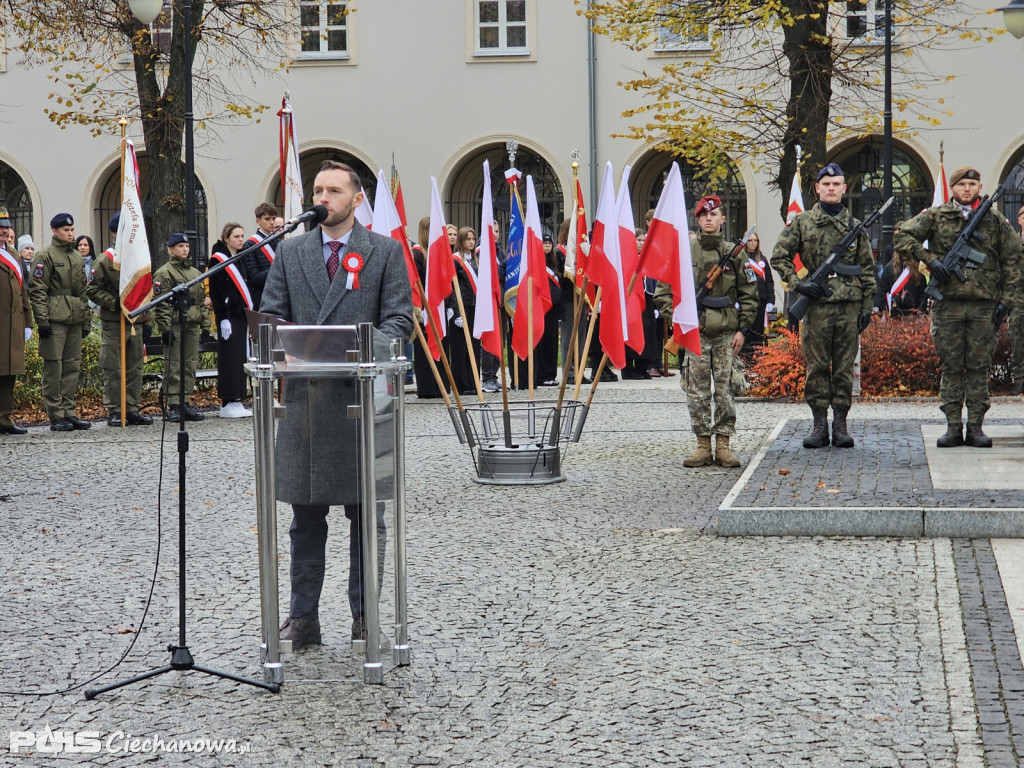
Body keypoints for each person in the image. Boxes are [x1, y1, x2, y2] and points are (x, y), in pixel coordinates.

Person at [259, 160, 413, 650]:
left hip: (361, 404)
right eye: (318, 190)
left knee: (368, 517)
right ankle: (302, 618)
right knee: (305, 519)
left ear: (356, 199)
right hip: (306, 406)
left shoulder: (384, 252)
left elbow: (398, 321)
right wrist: (278, 346)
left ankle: (366, 618)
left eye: (333, 191)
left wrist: (360, 354)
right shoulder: (290, 251)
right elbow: (271, 320)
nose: (322, 198)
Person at [894, 165, 1023, 447]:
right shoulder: (937, 216)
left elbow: (1014, 259)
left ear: (978, 188)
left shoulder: (993, 219)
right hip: (948, 304)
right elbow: (902, 236)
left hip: (982, 307)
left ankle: (975, 427)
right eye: (962, 184)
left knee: (978, 367)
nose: (967, 189)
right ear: (952, 188)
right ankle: (953, 426)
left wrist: (1007, 301)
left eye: (972, 185)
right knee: (951, 366)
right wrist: (930, 259)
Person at [773, 163, 876, 449]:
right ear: (817, 188)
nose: (831, 188)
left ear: (845, 189)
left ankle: (840, 424)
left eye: (837, 184)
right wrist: (799, 284)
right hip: (817, 307)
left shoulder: (856, 228)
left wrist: (867, 306)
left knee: (843, 368)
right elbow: (780, 257)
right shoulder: (802, 222)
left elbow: (866, 269)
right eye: (826, 184)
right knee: (817, 367)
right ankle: (819, 424)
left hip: (849, 307)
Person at [679, 195, 758, 468]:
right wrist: (678, 320)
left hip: (726, 332)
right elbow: (667, 290)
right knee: (696, 390)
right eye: (704, 215)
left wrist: (743, 329)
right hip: (695, 332)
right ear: (698, 219)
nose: (709, 219)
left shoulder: (735, 253)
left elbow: (749, 293)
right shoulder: (686, 251)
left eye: (714, 215)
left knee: (725, 390)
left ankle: (723, 443)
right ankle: (702, 445)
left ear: (722, 219)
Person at [85, 213, 153, 427]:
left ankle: (131, 408)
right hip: (115, 321)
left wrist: (147, 319)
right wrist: (115, 303)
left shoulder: (139, 259)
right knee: (113, 367)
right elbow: (93, 289)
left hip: (136, 321)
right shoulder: (106, 259)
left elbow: (146, 290)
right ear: (115, 233)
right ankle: (115, 409)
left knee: (135, 367)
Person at [28, 213, 93, 431]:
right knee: (54, 367)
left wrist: (86, 320)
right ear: (54, 231)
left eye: (72, 230)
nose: (70, 233)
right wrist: (42, 320)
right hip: (55, 319)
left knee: (72, 366)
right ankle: (56, 414)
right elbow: (37, 290)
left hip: (74, 317)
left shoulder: (76, 256)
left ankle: (69, 411)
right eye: (66, 230)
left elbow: (83, 291)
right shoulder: (45, 255)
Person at [151, 233, 212, 422]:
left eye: (186, 246)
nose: (185, 249)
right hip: (175, 323)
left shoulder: (195, 273)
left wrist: (205, 326)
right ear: (171, 249)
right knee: (174, 365)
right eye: (180, 246)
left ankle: (185, 402)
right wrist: (164, 328)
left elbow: (200, 302)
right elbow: (160, 304)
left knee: (189, 364)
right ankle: (174, 404)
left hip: (191, 323)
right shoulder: (164, 272)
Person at [207, 222, 253, 418]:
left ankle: (238, 399)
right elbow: (217, 292)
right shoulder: (218, 259)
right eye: (236, 237)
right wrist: (222, 317)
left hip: (240, 314)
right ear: (227, 239)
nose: (241, 240)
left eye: (242, 236)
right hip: (228, 316)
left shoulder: (240, 258)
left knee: (240, 357)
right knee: (230, 358)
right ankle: (228, 400)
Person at [0, 206, 32, 435]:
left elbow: (23, 292)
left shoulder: (12, 254)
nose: (4, 231)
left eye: (6, 227)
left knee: (9, 372)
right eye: (0, 228)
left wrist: (28, 322)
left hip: (12, 324)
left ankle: (5, 418)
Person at [739, 231, 776, 359]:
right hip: (747, 300)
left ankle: (758, 359)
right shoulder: (741, 258)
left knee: (759, 332)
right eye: (750, 240)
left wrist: (771, 300)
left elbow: (769, 281)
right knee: (747, 329)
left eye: (755, 240)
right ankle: (745, 358)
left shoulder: (763, 259)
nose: (753, 243)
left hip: (761, 300)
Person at [873, 243, 929, 318]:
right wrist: (884, 309)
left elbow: (923, 293)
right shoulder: (889, 268)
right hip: (893, 314)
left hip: (913, 315)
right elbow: (882, 291)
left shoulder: (917, 268)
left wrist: (920, 311)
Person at [244, 202, 279, 310]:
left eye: (273, 218)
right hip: (262, 299)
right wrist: (277, 271)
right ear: (258, 221)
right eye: (267, 219)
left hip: (279, 296)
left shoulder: (279, 242)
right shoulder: (250, 245)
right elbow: (254, 277)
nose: (272, 222)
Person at [1009, 205, 1024, 395]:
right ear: (1019, 220)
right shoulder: (1013, 243)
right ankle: (1019, 379)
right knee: (1017, 341)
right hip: (1018, 299)